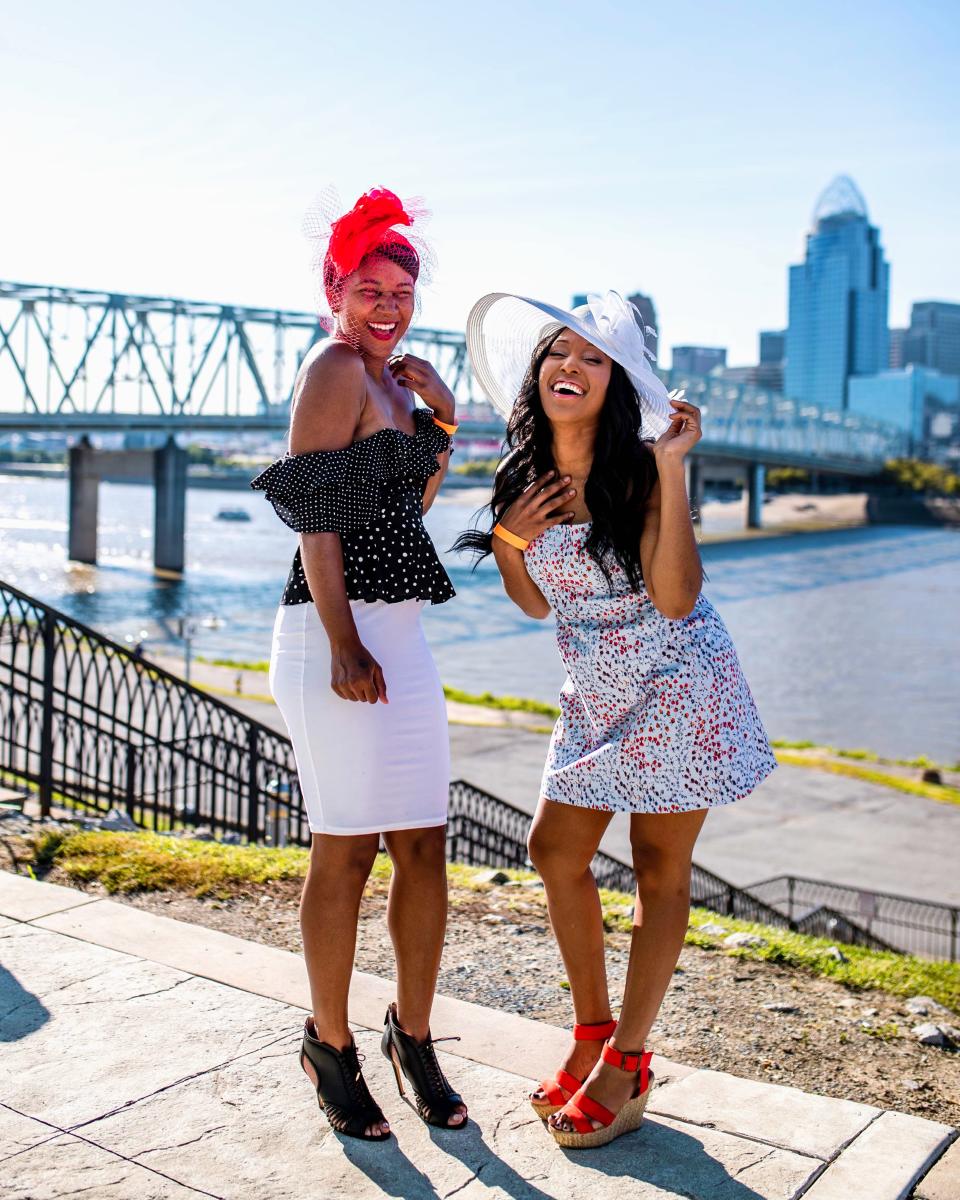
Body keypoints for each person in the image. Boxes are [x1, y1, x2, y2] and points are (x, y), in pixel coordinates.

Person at [457, 291, 776, 1149]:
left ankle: (629, 1061)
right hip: (593, 685)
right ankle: (593, 1032)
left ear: (615, 382)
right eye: (559, 351)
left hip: (679, 679)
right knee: (554, 850)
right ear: (539, 370)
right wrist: (509, 540)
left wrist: (673, 471)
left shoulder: (638, 469)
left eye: (593, 357)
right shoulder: (520, 471)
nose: (572, 365)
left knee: (655, 869)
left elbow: (676, 600)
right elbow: (533, 606)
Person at [251, 187, 467, 1141]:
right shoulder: (336, 366)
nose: (388, 307)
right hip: (333, 635)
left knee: (424, 844)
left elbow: (407, 510)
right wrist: (343, 641)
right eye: (369, 289)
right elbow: (315, 514)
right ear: (335, 291)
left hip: (402, 633)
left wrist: (445, 419)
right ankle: (327, 1043)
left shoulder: (394, 382)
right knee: (345, 847)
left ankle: (410, 1036)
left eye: (402, 293)